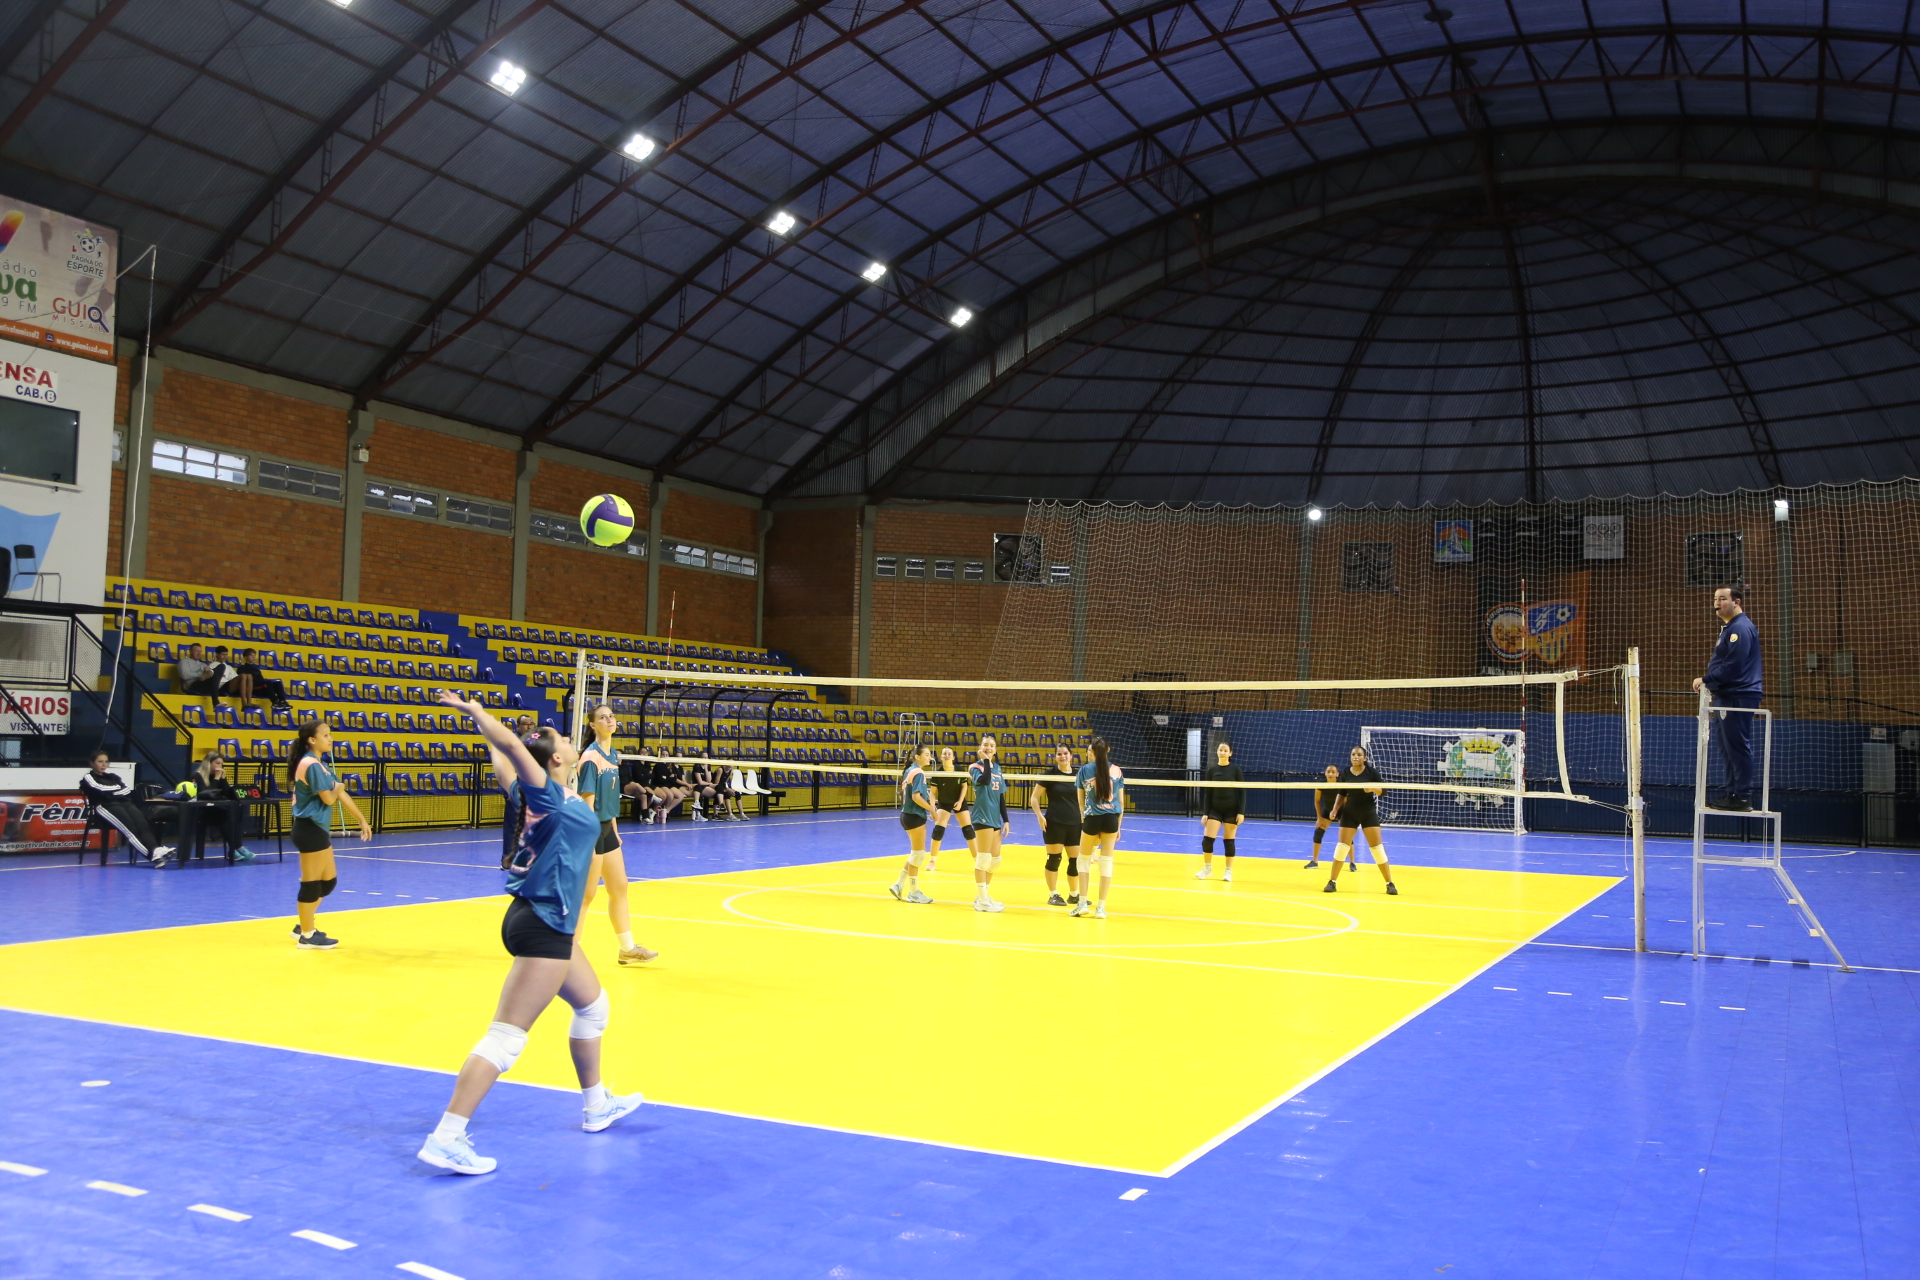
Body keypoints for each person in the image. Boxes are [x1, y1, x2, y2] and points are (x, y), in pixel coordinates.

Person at [416, 692, 644, 1176]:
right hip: (542, 922)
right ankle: (446, 1138)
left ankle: (596, 1105)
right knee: (505, 1039)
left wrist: (491, 733)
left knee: (594, 1007)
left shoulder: (538, 794)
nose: (566, 739)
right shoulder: (544, 794)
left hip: (547, 922)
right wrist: (478, 714)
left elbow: (503, 757)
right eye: (560, 739)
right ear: (556, 758)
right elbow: (513, 750)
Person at [578, 704, 657, 966]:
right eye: (603, 717)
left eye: (611, 716)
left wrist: (614, 829)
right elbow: (587, 804)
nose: (609, 720)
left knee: (619, 887)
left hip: (606, 828)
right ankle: (567, 955)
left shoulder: (612, 754)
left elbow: (610, 796)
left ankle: (627, 949)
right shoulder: (591, 758)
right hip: (591, 830)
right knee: (586, 895)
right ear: (593, 725)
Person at [289, 718, 372, 948]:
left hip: (316, 830)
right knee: (311, 883)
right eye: (325, 735)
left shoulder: (320, 764)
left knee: (328, 882)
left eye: (330, 734)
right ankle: (307, 935)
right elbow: (329, 797)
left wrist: (361, 819)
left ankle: (303, 924)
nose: (330, 738)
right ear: (312, 740)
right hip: (309, 828)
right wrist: (339, 787)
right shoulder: (311, 764)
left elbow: (340, 793)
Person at [1693, 584, 1764, 811]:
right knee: (1727, 747)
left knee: (1736, 746)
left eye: (1722, 598)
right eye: (1715, 599)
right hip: (1727, 694)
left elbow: (1734, 664)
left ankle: (1742, 796)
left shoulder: (1740, 628)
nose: (1717, 603)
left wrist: (1707, 680)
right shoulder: (1731, 628)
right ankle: (1733, 793)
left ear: (1737, 602)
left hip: (1738, 694)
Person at [79, 749, 175, 865]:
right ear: (92, 763)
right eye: (100, 761)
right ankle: (152, 855)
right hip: (104, 806)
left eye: (106, 761)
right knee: (130, 829)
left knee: (142, 825)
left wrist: (112, 792)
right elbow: (100, 789)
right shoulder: (89, 777)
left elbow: (126, 790)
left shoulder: (113, 777)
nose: (104, 764)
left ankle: (155, 849)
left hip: (123, 803)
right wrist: (116, 790)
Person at [1324, 745, 1396, 895]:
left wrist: (1372, 788)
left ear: (1365, 758)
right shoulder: (1346, 772)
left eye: (1358, 754)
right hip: (1350, 812)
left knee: (1377, 849)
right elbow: (1342, 793)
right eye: (1353, 754)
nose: (1355, 757)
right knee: (1342, 847)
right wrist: (1335, 809)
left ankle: (1389, 883)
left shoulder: (1371, 772)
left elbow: (1384, 792)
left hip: (1368, 812)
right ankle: (1332, 881)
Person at [1072, 736, 1124, 919]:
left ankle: (1082, 904)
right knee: (1106, 862)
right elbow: (1121, 803)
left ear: (1092, 751)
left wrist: (1084, 818)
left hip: (1092, 818)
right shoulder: (1116, 770)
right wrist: (1118, 825)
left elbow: (1080, 802)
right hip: (1111, 819)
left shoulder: (1084, 770)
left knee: (1083, 860)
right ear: (1108, 750)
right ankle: (1101, 908)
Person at [1031, 743, 1084, 906]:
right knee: (1054, 859)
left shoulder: (1078, 775)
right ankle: (1053, 894)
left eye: (1065, 753)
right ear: (1055, 757)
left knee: (1075, 861)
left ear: (1071, 755)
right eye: (1059, 754)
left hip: (1075, 823)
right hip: (1054, 823)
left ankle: (1074, 894)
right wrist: (1039, 816)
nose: (1063, 756)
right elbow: (1034, 797)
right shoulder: (1049, 775)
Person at [187, 749, 255, 863]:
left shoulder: (217, 776)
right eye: (217, 763)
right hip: (201, 812)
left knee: (234, 813)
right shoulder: (197, 776)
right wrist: (217, 779)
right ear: (208, 763)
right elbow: (207, 795)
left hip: (216, 810)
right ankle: (236, 847)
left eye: (221, 764)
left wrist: (223, 779)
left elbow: (228, 793)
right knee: (223, 815)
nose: (220, 767)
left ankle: (235, 848)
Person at [888, 744, 936, 903]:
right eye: (927, 754)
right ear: (917, 756)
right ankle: (914, 892)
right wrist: (932, 810)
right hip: (914, 815)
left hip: (906, 815)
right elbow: (916, 797)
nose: (930, 757)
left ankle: (899, 885)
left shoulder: (910, 770)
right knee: (918, 854)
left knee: (915, 854)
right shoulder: (919, 773)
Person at [967, 734, 1007, 913]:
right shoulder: (975, 767)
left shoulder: (997, 768)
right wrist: (985, 761)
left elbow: (1001, 796)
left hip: (995, 817)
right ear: (980, 747)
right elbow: (985, 780)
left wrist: (1006, 819)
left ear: (995, 749)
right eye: (985, 745)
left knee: (995, 860)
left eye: (991, 745)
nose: (988, 748)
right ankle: (982, 900)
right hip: (982, 815)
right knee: (983, 859)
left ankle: (984, 896)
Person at [1195, 740, 1244, 881]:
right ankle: (1207, 869)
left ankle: (1228, 871)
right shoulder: (1211, 771)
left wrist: (1241, 812)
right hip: (1215, 809)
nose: (1222, 752)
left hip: (1231, 810)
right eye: (1220, 750)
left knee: (1229, 842)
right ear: (1217, 752)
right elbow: (1208, 793)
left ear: (1230, 753)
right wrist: (1205, 813)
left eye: (1225, 750)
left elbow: (1242, 792)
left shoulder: (1235, 770)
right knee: (1207, 841)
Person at [926, 745, 975, 874]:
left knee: (968, 830)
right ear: (941, 757)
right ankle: (932, 861)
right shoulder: (938, 773)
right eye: (944, 753)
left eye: (949, 754)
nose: (947, 755)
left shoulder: (960, 770)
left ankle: (978, 860)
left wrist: (960, 801)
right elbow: (932, 793)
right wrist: (932, 808)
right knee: (938, 830)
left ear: (953, 757)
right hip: (944, 803)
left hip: (959, 801)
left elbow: (964, 786)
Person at [1303, 765, 1352, 870]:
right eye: (1328, 772)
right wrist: (1319, 817)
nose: (1330, 774)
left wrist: (1345, 815)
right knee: (1318, 833)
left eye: (1333, 772)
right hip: (1327, 810)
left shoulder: (1342, 785)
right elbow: (1317, 801)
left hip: (1342, 810)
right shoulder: (1321, 785)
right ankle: (1315, 862)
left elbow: (1346, 801)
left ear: (1337, 774)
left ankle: (1352, 863)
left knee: (1347, 836)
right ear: (1325, 773)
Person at [226, 647, 290, 713]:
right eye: (251, 655)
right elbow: (242, 681)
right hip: (253, 688)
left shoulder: (256, 669)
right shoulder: (242, 668)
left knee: (277, 683)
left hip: (261, 687)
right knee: (267, 683)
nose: (254, 657)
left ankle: (283, 701)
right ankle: (275, 702)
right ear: (246, 657)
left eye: (254, 656)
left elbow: (261, 680)